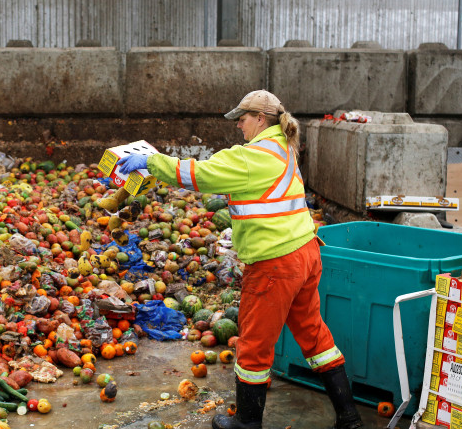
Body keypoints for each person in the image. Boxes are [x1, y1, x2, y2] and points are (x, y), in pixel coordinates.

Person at [116, 90, 363, 429]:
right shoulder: (284, 147)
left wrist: (152, 163)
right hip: (305, 251)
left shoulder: (254, 156)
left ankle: (247, 423)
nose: (238, 127)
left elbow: (202, 174)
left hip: (276, 263)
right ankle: (349, 417)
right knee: (313, 334)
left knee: (253, 346)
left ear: (260, 119)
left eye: (242, 119)